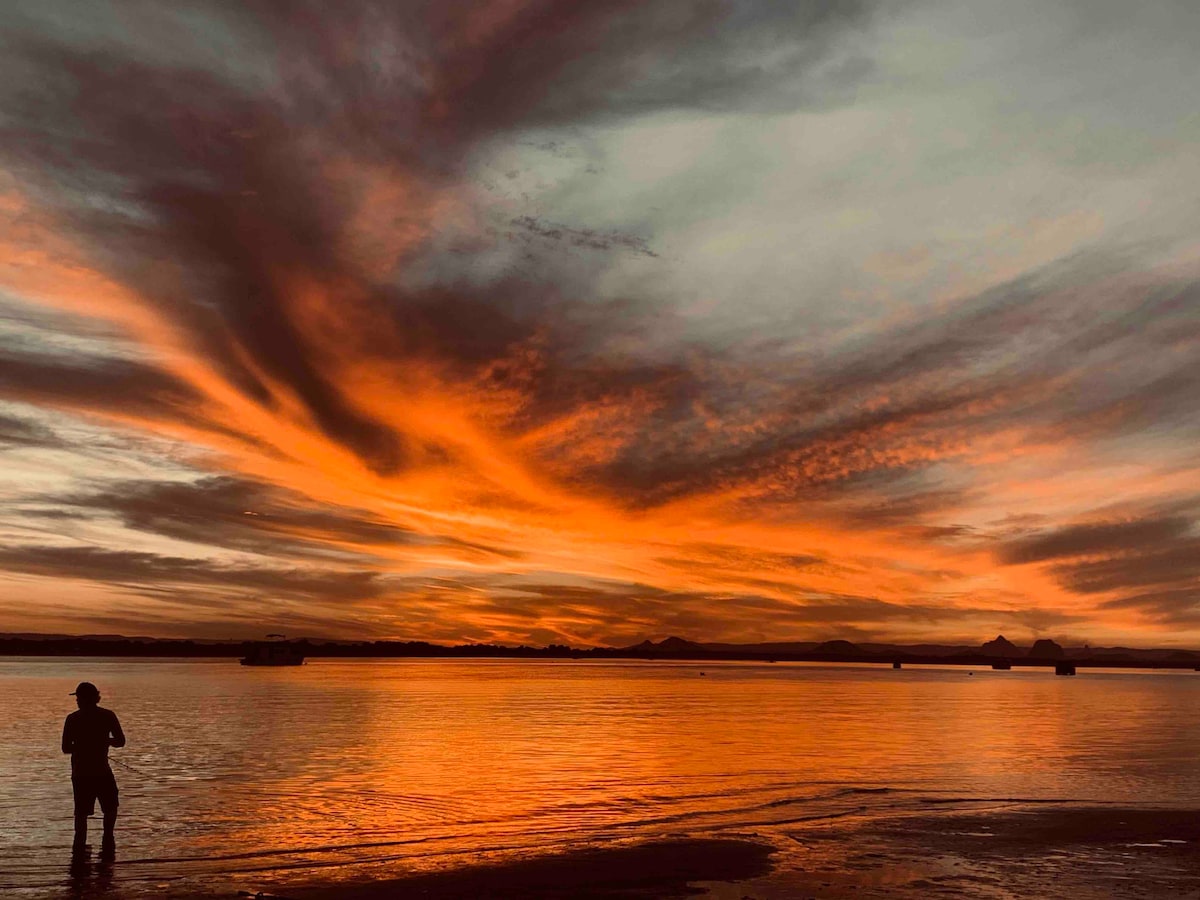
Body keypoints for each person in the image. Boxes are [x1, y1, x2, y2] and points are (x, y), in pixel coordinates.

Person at [62, 682, 125, 855]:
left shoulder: (73, 719)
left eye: (78, 697)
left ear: (85, 699)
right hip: (99, 772)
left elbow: (66, 748)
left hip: (82, 773)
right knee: (109, 809)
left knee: (83, 814)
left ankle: (82, 850)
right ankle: (107, 844)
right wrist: (103, 742)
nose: (77, 700)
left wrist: (87, 745)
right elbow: (120, 741)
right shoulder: (107, 716)